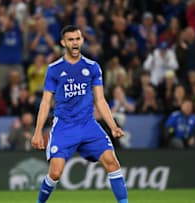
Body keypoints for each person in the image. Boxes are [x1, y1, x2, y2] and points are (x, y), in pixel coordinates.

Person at [31, 25, 128, 203]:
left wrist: (113, 126)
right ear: (63, 43)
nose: (75, 43)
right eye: (71, 39)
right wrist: (38, 132)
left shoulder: (92, 67)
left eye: (77, 39)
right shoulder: (54, 69)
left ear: (82, 40)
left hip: (88, 125)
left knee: (112, 163)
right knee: (55, 173)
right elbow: (45, 102)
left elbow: (100, 100)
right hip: (64, 127)